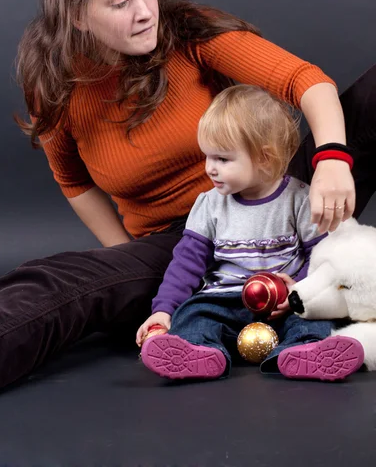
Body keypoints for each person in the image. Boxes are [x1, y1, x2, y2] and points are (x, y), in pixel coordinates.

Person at [0, 0, 374, 397]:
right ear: (78, 16)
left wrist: (331, 159)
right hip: (178, 242)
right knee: (54, 283)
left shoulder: (188, 32)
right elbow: (73, 181)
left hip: (270, 194)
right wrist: (129, 260)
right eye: (120, 2)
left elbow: (306, 81)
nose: (145, 12)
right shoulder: (55, 85)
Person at [136, 85, 364, 381]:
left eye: (222, 159)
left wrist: (300, 290)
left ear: (264, 158)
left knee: (316, 318)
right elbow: (185, 265)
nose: (210, 169)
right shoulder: (209, 205)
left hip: (286, 302)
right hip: (226, 300)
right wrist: (163, 310)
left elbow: (322, 257)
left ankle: (305, 352)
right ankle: (198, 352)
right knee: (195, 314)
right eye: (207, 157)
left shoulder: (299, 200)